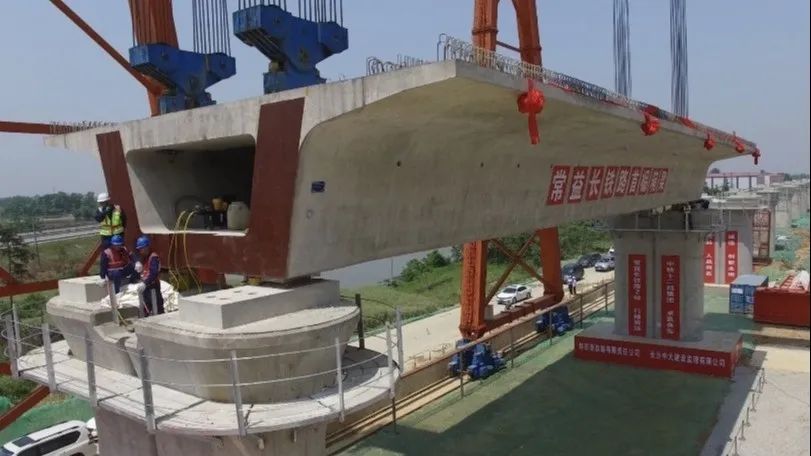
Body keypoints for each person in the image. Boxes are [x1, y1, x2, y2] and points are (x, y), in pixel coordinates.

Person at [134, 235, 165, 316]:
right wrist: (137, 263)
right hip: (145, 287)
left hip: (153, 286)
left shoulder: (153, 257)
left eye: (142, 249)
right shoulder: (143, 257)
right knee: (146, 306)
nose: (140, 251)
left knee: (157, 307)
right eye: (139, 249)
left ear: (147, 247)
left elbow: (154, 273)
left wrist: (145, 283)